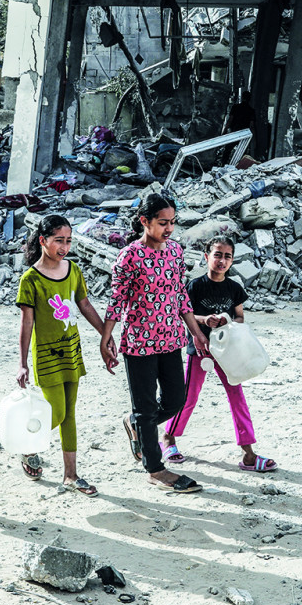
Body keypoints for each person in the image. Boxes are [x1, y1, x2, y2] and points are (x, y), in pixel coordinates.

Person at [101, 194, 210, 493]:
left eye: (172, 222)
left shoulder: (175, 252)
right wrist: (106, 337)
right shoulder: (129, 256)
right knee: (147, 408)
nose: (169, 229)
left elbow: (180, 296)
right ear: (144, 221)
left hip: (171, 338)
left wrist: (196, 331)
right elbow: (117, 300)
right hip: (138, 343)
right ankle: (155, 469)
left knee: (175, 400)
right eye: (163, 223)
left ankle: (136, 423)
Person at [161, 236, 277, 473]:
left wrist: (226, 321)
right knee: (189, 396)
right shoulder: (195, 286)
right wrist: (205, 320)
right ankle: (169, 438)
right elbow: (185, 314)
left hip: (228, 353)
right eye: (217, 255)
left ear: (232, 260)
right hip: (201, 350)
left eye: (227, 256)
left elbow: (240, 317)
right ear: (207, 257)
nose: (222, 260)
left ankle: (248, 455)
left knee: (237, 397)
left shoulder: (234, 288)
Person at [14, 215, 112, 496]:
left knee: (70, 415)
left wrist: (106, 334)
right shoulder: (30, 279)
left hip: (72, 350)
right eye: (59, 240)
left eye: (68, 241)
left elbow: (84, 304)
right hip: (46, 355)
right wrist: (22, 364)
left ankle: (71, 475)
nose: (65, 247)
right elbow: (26, 324)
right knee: (55, 411)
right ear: (43, 240)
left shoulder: (73, 270)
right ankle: (28, 447)